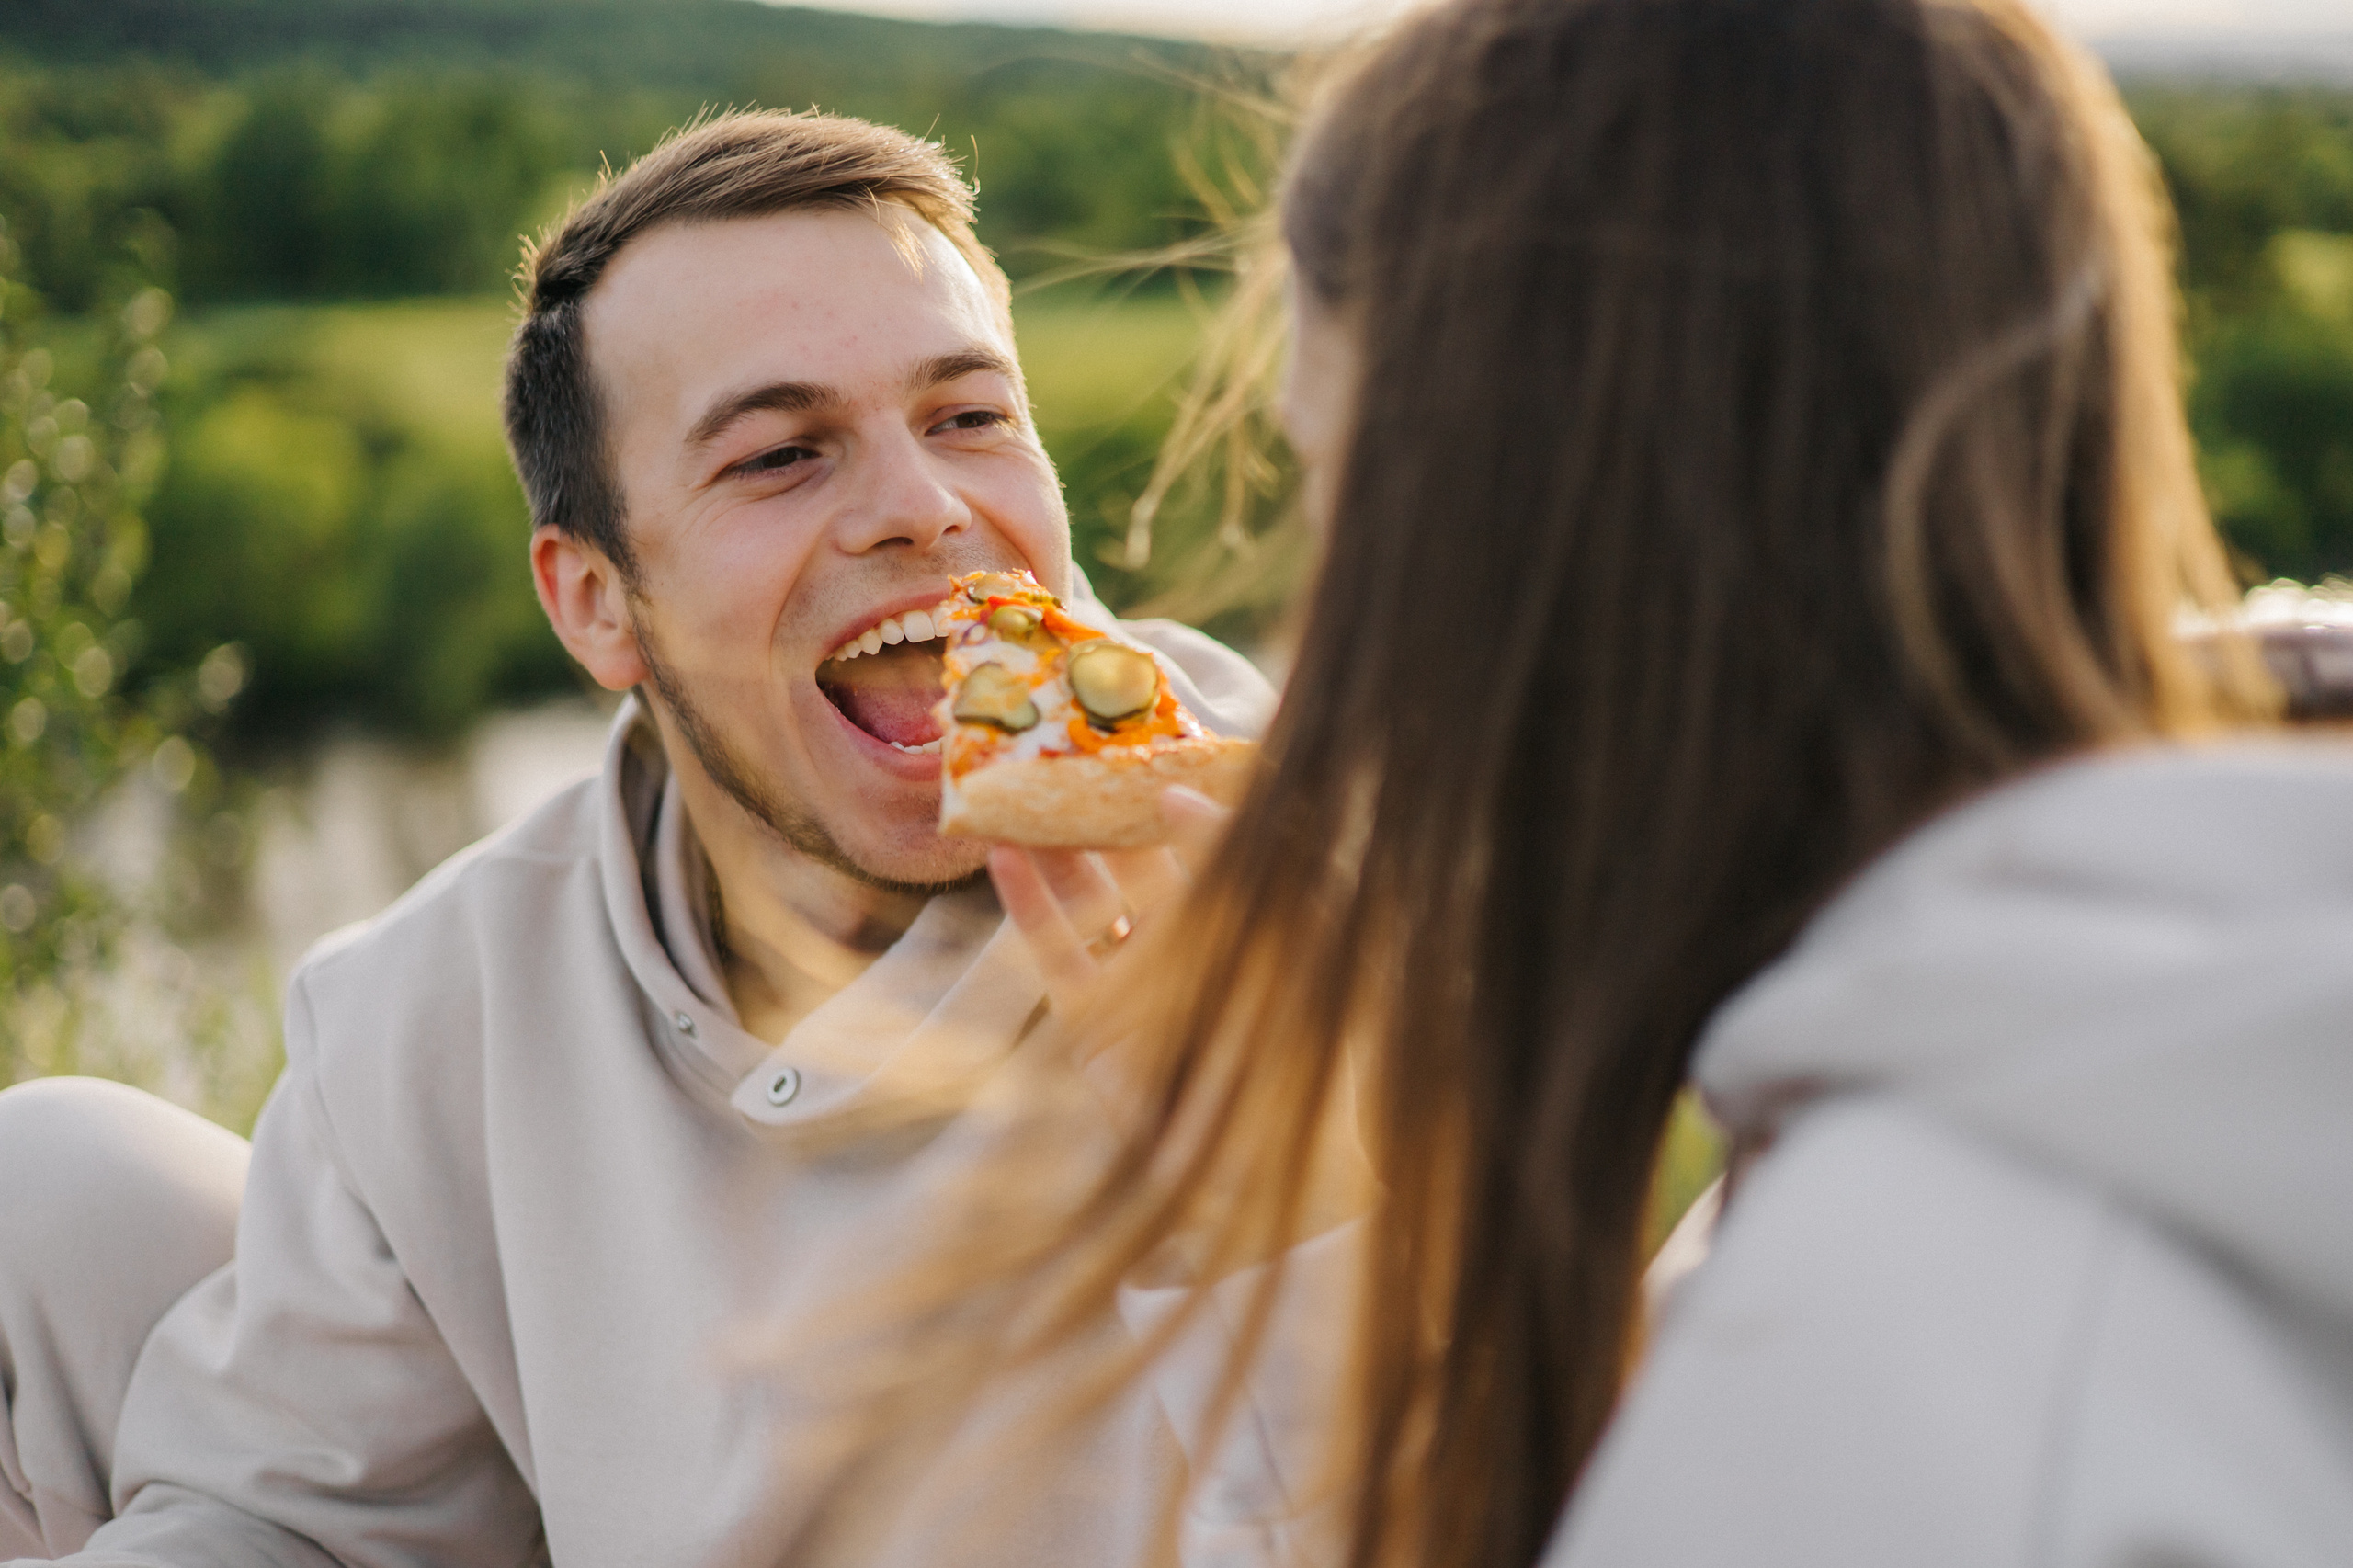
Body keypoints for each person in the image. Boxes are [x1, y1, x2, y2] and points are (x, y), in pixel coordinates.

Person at [970, 0, 2353, 1564]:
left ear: (1553, 528)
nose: (1321, 626)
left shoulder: (1903, 1329)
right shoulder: (2135, 1053)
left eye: (1341, 490)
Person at [0, 110, 1290, 1567]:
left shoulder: (1322, 878)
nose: (925, 510)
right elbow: (283, 1513)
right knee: (47, 1184)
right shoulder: (431, 1019)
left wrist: (1294, 1172)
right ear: (596, 603)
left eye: (971, 416)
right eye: (782, 453)